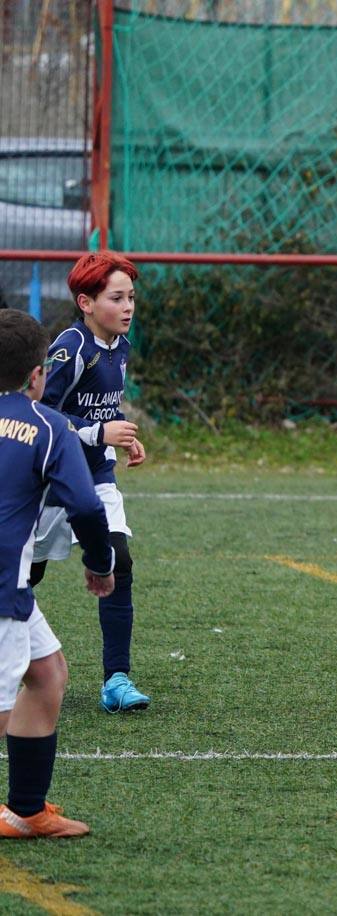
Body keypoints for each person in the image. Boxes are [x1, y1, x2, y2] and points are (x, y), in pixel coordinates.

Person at [0, 310, 115, 838]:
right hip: (3, 587)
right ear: (37, 374)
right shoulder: (50, 427)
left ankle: (25, 811)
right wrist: (99, 563)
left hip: (14, 583)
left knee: (47, 674)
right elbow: (88, 510)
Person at [29, 251, 149, 713]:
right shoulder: (71, 347)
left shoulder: (120, 346)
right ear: (85, 302)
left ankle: (117, 679)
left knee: (118, 563)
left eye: (132, 297)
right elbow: (44, 414)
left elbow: (104, 409)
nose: (128, 307)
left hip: (96, 474)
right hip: (50, 481)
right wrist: (99, 431)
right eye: (116, 298)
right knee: (28, 575)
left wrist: (120, 438)